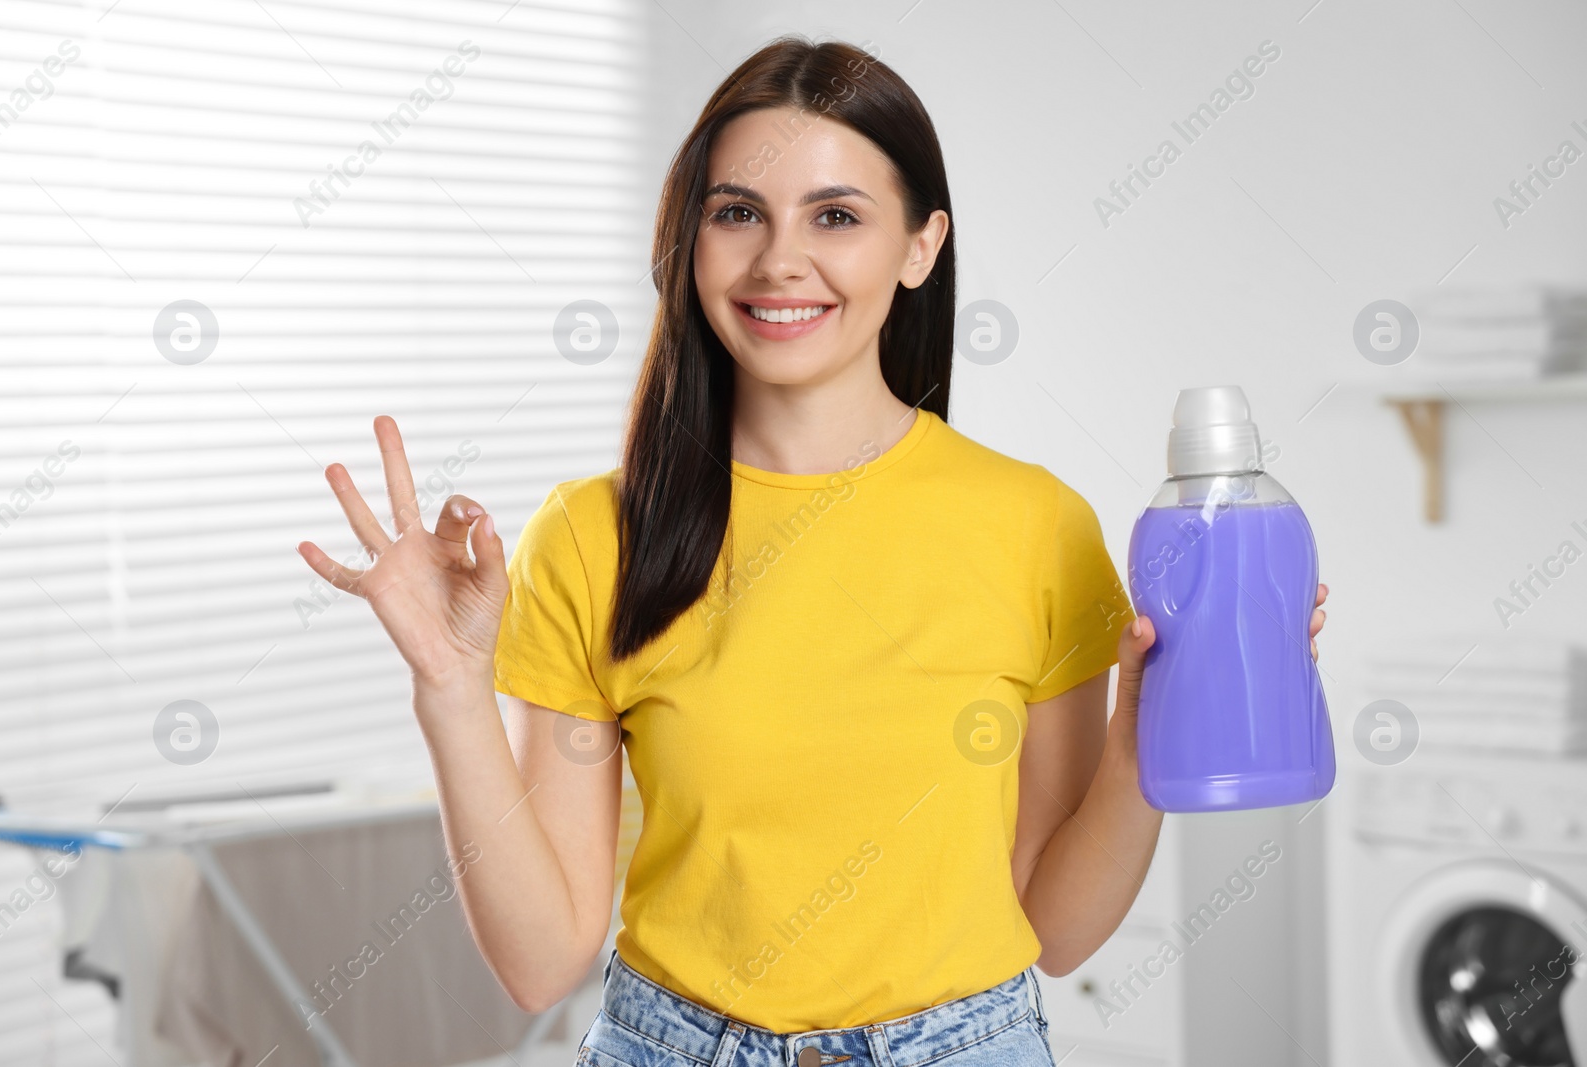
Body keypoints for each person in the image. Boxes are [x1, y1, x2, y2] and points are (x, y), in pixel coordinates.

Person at [298, 34, 1328, 1067]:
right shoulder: (596, 535)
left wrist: (1139, 738)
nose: (778, 258)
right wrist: (449, 685)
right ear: (688, 241)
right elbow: (539, 960)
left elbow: (1056, 929)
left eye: (835, 215)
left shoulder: (1036, 527)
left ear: (920, 247)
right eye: (737, 212)